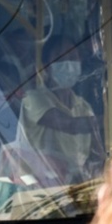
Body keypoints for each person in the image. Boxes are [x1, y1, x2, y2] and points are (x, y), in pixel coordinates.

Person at [14, 36, 102, 187]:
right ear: (47, 65)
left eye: (73, 57)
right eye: (60, 58)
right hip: (37, 194)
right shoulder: (34, 99)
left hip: (71, 193)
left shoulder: (84, 107)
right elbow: (69, 125)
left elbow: (96, 154)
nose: (68, 63)